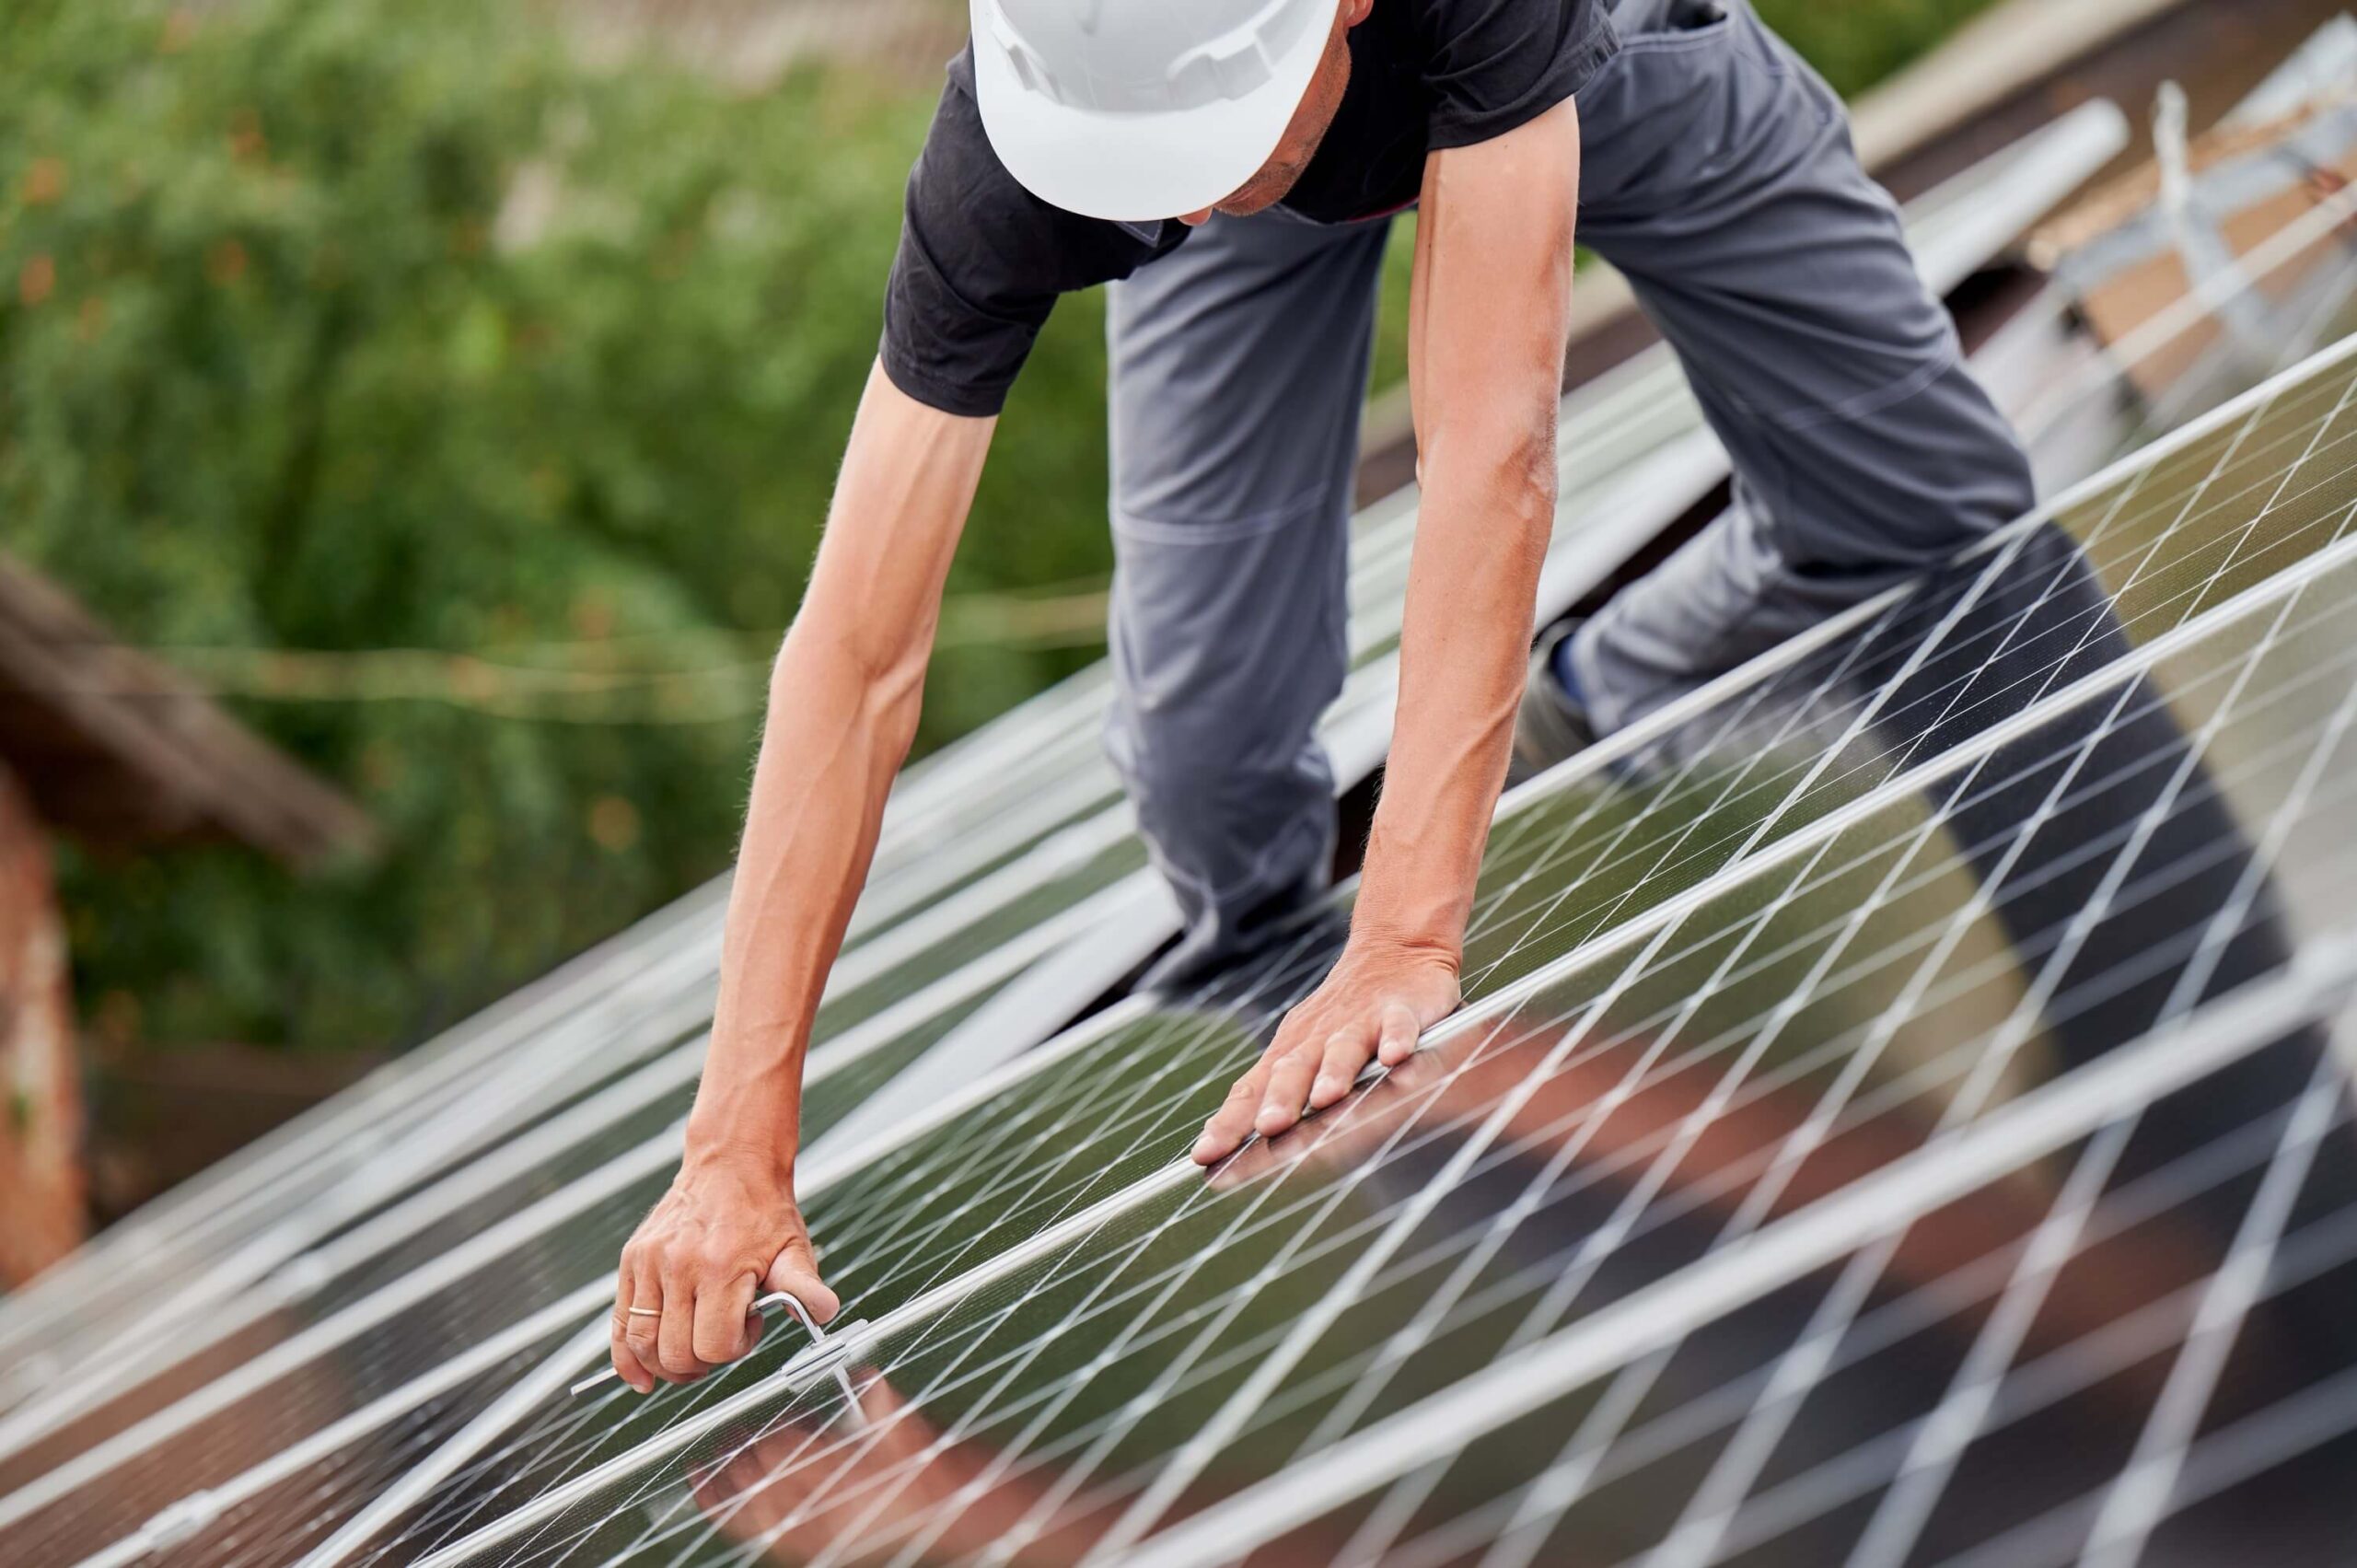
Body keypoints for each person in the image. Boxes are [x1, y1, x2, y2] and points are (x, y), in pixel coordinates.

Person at [608, 0, 2038, 1394]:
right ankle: (1433, 1108)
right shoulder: (1043, 135)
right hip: (1274, 159)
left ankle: (1600, 690)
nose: (1192, 191)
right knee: (1209, 792)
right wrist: (734, 1148)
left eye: (1204, 141)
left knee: (1937, 519)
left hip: (1583, 62)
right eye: (1144, 160)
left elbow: (1489, 456)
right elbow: (855, 655)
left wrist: (1406, 942)